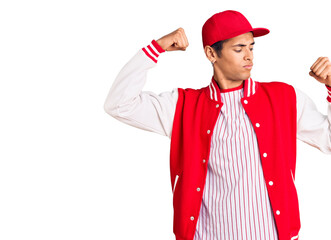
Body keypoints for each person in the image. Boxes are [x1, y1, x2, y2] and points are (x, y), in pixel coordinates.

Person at [104, 10, 331, 240]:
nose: (249, 57)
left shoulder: (285, 98)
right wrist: (156, 47)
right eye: (239, 49)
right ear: (211, 53)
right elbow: (119, 104)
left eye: (251, 47)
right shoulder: (183, 106)